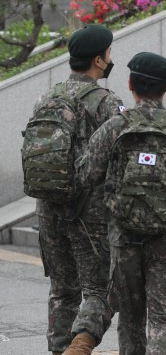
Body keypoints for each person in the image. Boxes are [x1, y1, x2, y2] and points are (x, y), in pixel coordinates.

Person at [76, 52, 166, 354]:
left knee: (130, 317)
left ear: (130, 84)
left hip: (124, 237)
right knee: (164, 318)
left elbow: (86, 175)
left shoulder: (115, 127)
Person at [25, 25, 122, 355]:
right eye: (109, 54)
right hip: (88, 214)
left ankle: (58, 349)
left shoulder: (46, 98)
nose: (111, 59)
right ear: (98, 60)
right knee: (99, 289)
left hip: (48, 208)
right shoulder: (105, 103)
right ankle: (78, 347)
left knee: (62, 290)